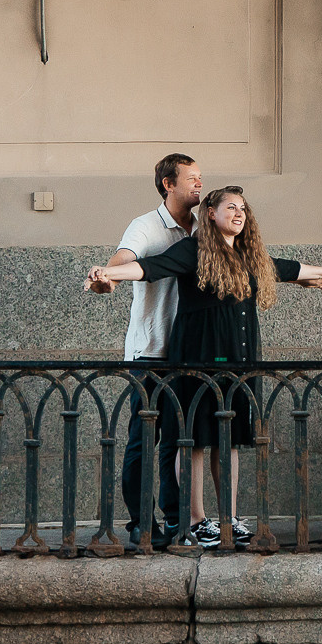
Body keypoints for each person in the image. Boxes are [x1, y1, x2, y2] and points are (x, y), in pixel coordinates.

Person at [87, 185, 322, 549]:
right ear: (211, 213)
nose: (239, 214)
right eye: (230, 207)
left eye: (243, 208)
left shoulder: (249, 255)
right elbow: (149, 268)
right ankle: (196, 521)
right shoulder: (193, 249)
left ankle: (229, 519)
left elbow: (286, 268)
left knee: (231, 441)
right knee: (192, 441)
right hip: (198, 360)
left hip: (240, 365)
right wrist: (109, 274)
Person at [92, 153, 201, 549]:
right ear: (168, 183)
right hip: (150, 353)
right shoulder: (146, 225)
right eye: (191, 178)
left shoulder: (204, 228)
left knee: (179, 441)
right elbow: (125, 258)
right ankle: (142, 522)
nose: (199, 185)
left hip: (189, 353)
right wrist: (108, 276)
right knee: (144, 440)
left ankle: (176, 522)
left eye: (200, 178)